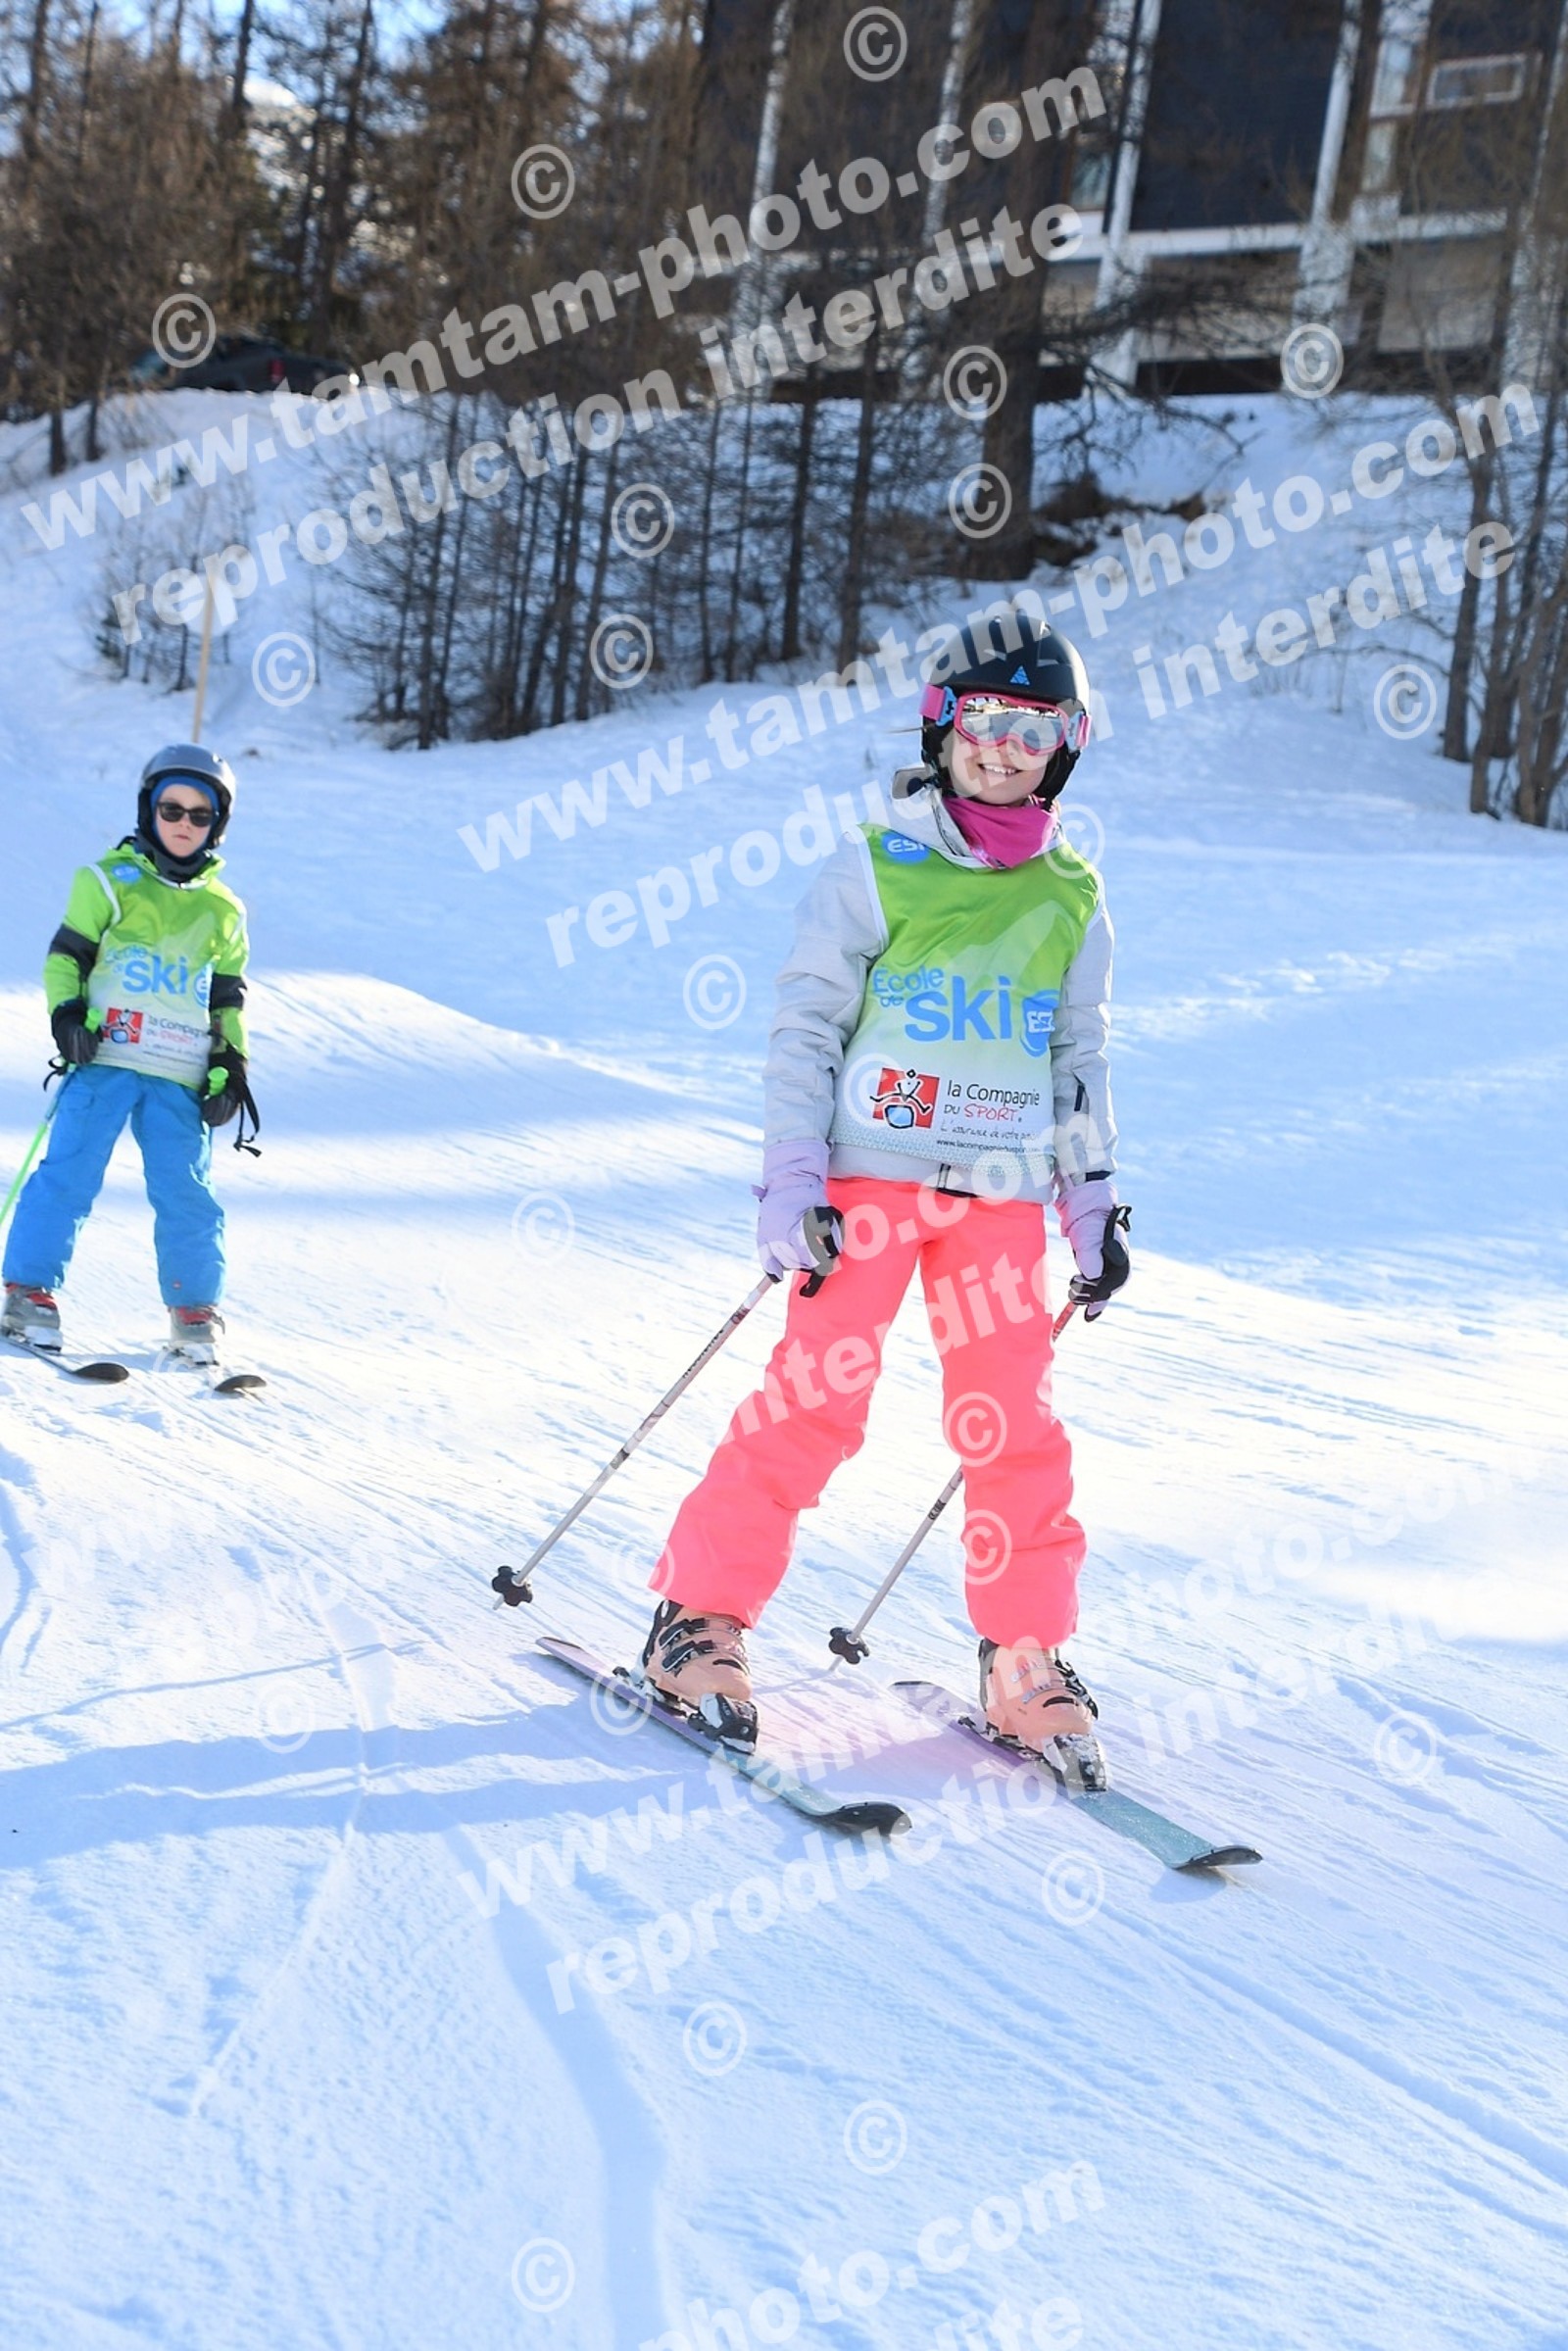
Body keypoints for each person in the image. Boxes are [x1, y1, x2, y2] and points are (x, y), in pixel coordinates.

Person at [639, 619, 1130, 1785]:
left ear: (1063, 748)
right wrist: (792, 1175)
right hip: (868, 1180)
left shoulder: (1072, 893)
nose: (1002, 748)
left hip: (1000, 1193)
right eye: (983, 721)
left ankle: (1023, 1651)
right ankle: (697, 1617)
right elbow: (807, 1025)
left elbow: (1077, 1056)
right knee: (816, 1400)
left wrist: (1092, 1202)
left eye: (1032, 731)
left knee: (1012, 1424)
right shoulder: (877, 864)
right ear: (941, 728)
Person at [1, 744, 256, 1366]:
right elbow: (66, 958)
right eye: (172, 808)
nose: (184, 823)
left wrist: (231, 1067)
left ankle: (194, 1309)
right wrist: (66, 1016)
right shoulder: (107, 882)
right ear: (149, 808)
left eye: (200, 814)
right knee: (69, 1175)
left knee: (186, 1191)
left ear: (217, 824)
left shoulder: (223, 910)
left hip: (177, 1073)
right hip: (105, 1060)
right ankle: (27, 1292)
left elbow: (227, 1002)